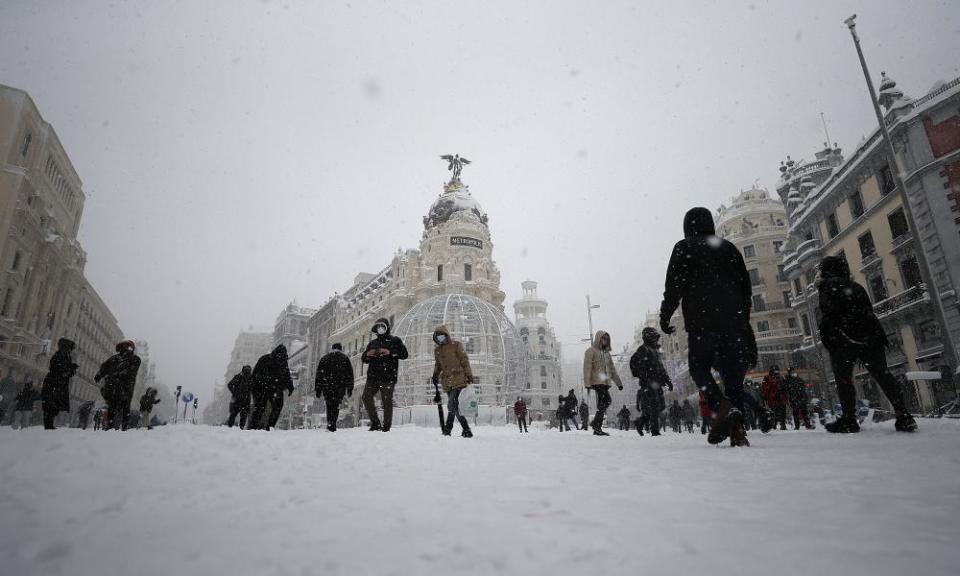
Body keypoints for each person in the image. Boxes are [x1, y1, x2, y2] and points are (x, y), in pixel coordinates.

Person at [660, 207, 756, 447]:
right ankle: (737, 429)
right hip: (733, 323)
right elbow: (746, 287)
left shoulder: (684, 248)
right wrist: (743, 319)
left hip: (703, 322)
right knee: (733, 377)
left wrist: (666, 314)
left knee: (699, 367)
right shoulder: (729, 248)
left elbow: (674, 286)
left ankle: (720, 405)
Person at [816, 255, 917, 433]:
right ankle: (903, 414)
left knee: (844, 379)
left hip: (845, 339)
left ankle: (849, 419)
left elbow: (829, 317)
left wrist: (832, 341)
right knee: (883, 375)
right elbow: (866, 311)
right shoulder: (855, 286)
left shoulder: (828, 287)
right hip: (871, 336)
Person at [361, 318, 408, 432]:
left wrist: (390, 352)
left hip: (388, 376)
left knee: (386, 400)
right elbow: (364, 359)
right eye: (377, 327)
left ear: (386, 327)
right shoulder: (372, 343)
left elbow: (404, 354)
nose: (380, 329)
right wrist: (368, 354)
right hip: (373, 376)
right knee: (366, 397)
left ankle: (386, 426)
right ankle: (375, 423)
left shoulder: (395, 340)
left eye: (382, 326)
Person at [431, 326, 473, 437]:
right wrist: (435, 375)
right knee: (455, 407)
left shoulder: (456, 345)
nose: (440, 338)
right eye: (437, 336)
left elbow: (464, 360)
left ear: (446, 335)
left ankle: (447, 430)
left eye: (442, 335)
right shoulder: (437, 350)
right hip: (447, 382)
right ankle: (466, 429)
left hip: (458, 379)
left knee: (451, 404)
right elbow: (438, 365)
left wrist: (469, 374)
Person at [630, 327, 673, 437]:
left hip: (657, 383)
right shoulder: (643, 349)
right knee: (654, 406)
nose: (655, 339)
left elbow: (661, 367)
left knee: (661, 406)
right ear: (648, 337)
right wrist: (645, 379)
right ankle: (655, 431)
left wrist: (668, 381)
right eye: (653, 336)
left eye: (656, 337)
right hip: (649, 383)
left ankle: (641, 422)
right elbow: (637, 365)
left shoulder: (655, 350)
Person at [583, 330, 623, 436]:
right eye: (603, 338)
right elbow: (587, 368)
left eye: (607, 339)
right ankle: (596, 424)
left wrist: (618, 383)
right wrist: (587, 383)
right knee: (606, 401)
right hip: (597, 381)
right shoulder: (590, 351)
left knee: (604, 403)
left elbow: (612, 369)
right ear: (598, 339)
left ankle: (596, 425)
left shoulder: (607, 354)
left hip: (605, 382)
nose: (605, 341)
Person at [95, 341, 142, 430]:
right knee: (112, 407)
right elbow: (104, 367)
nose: (123, 348)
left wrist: (119, 374)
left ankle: (124, 427)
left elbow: (131, 371)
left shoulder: (135, 359)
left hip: (125, 387)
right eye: (122, 346)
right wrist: (99, 374)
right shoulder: (114, 358)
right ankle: (110, 427)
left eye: (126, 346)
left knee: (125, 407)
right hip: (113, 387)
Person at [250, 345, 293, 431]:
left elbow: (286, 374)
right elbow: (255, 375)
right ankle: (254, 427)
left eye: (283, 355)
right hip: (262, 387)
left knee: (276, 406)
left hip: (275, 388)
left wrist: (290, 386)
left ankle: (269, 427)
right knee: (260, 407)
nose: (280, 358)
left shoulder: (283, 361)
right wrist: (258, 387)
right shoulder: (265, 359)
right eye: (280, 355)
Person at [315, 343, 354, 432]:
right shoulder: (345, 358)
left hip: (327, 387)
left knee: (329, 405)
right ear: (340, 349)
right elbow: (349, 375)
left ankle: (330, 423)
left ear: (332, 349)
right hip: (339, 388)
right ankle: (333, 423)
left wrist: (318, 389)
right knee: (336, 406)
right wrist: (349, 388)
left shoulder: (324, 359)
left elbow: (319, 375)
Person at [41, 338, 78, 430]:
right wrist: (69, 369)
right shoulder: (60, 355)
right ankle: (48, 425)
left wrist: (71, 369)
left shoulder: (65, 355)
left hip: (58, 383)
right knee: (51, 404)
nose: (71, 351)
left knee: (54, 405)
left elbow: (65, 371)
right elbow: (55, 367)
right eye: (70, 348)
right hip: (55, 382)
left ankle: (49, 424)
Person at [761, 366, 788, 431]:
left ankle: (783, 424)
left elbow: (785, 387)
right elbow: (764, 387)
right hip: (772, 398)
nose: (776, 372)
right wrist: (766, 395)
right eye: (775, 370)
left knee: (783, 411)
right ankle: (773, 424)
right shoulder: (767, 377)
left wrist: (785, 396)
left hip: (781, 397)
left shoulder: (781, 377)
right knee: (773, 412)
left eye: (777, 370)